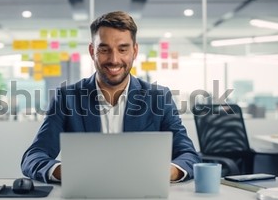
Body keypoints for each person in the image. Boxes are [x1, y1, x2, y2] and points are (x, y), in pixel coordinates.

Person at [21, 11, 200, 183]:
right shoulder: (67, 98)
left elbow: (189, 156)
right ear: (92, 52)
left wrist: (168, 171)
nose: (114, 59)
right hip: (84, 198)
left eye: (123, 49)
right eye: (104, 50)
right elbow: (33, 157)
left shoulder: (159, 98)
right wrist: (67, 171)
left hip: (144, 199)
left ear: (135, 51)